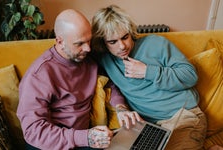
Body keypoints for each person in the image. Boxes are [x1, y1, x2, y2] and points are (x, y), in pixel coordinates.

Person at [16, 9, 141, 150]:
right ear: (60, 41)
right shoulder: (39, 75)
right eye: (79, 43)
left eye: (89, 40)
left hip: (84, 138)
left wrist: (120, 108)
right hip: (51, 144)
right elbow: (33, 131)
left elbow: (109, 83)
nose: (87, 48)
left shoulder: (87, 58)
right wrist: (84, 137)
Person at [91, 5, 207, 150]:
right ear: (103, 43)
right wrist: (121, 108)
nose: (122, 46)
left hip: (183, 116)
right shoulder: (104, 59)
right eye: (112, 42)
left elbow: (190, 75)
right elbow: (109, 86)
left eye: (125, 37)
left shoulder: (156, 43)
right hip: (148, 127)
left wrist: (148, 72)